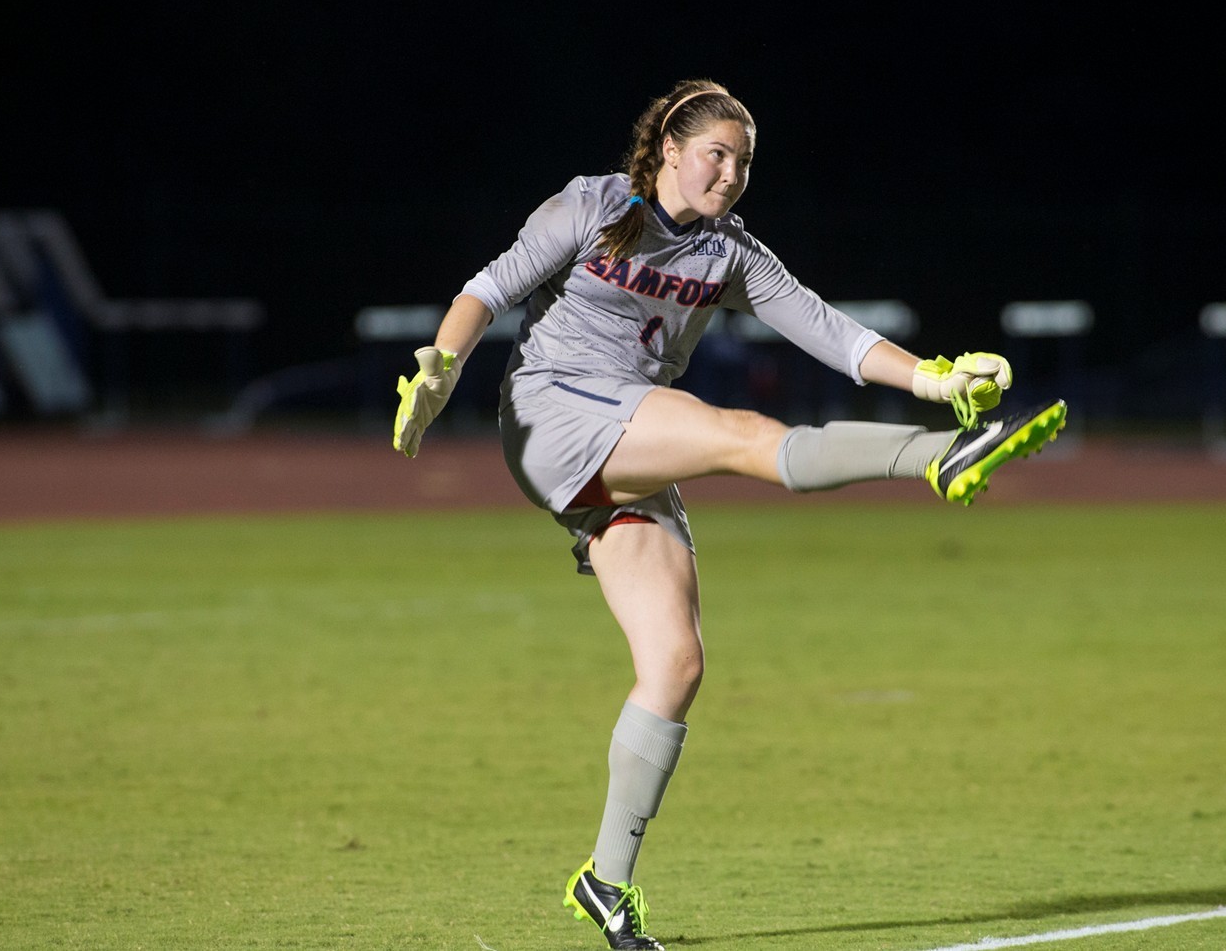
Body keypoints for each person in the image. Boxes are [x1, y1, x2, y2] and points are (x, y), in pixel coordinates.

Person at [393, 79, 1066, 950]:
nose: (732, 173)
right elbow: (485, 290)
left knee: (675, 664)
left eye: (745, 161)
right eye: (718, 153)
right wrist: (441, 370)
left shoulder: (730, 252)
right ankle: (938, 455)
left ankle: (604, 881)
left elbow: (830, 331)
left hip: (627, 443)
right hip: (553, 413)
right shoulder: (590, 206)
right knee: (741, 433)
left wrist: (934, 376)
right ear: (669, 147)